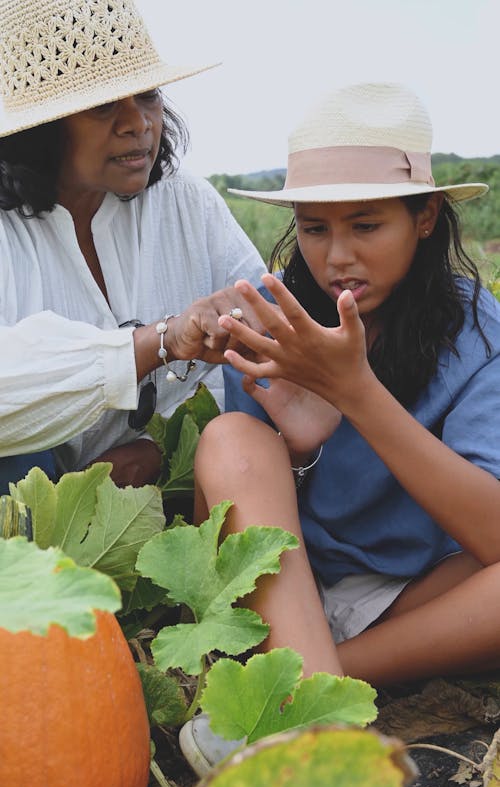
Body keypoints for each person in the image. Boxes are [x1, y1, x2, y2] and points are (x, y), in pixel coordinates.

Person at [191, 81, 500, 693]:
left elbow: (492, 537)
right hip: (285, 592)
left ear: (425, 217)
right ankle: (314, 686)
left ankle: (307, 690)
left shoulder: (475, 331)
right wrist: (299, 450)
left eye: (365, 225)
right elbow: (233, 514)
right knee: (231, 437)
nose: (336, 258)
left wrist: (357, 393)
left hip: (408, 601)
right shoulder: (271, 317)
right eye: (313, 228)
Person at [0, 0, 267, 492]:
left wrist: (160, 447)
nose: (138, 123)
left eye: (146, 95)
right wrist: (155, 342)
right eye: (104, 106)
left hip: (187, 482)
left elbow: (262, 343)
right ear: (41, 128)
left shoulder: (186, 201)